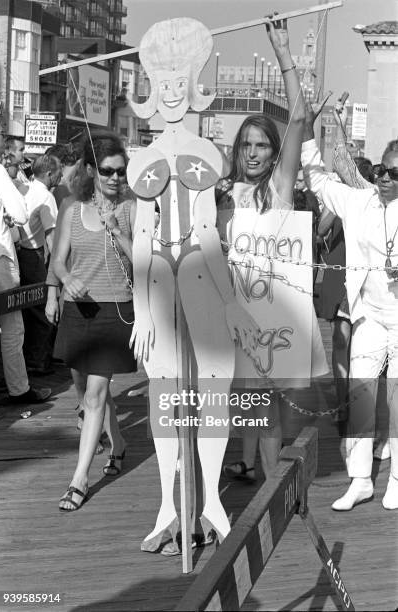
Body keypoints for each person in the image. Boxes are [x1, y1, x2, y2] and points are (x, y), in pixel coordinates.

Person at [127, 17, 259, 551]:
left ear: (193, 88)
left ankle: (209, 504)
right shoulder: (141, 160)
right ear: (154, 93)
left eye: (182, 83)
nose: (174, 94)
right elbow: (141, 236)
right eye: (165, 85)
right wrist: (140, 309)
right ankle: (166, 507)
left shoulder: (207, 155)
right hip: (158, 279)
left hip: (201, 276)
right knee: (164, 387)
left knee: (214, 387)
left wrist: (229, 301)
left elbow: (206, 233)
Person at [217, 29, 327, 483]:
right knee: (244, 402)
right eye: (248, 145)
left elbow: (298, 118)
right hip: (229, 316)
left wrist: (285, 55)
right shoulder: (221, 195)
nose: (255, 153)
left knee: (263, 407)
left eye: (263, 145)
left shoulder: (277, 192)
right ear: (237, 151)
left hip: (270, 319)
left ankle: (273, 492)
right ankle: (253, 471)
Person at [302, 102, 398, 511]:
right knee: (360, 395)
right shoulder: (360, 203)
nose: (387, 178)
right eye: (383, 170)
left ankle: (395, 478)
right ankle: (360, 479)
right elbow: (319, 179)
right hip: (369, 316)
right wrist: (307, 130)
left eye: (397, 172)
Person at [53, 131, 136, 511]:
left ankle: (79, 479)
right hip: (79, 310)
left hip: (116, 309)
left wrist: (118, 231)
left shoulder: (134, 209)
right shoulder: (72, 209)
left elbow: (145, 263)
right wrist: (65, 280)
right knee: (85, 387)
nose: (116, 179)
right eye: (108, 171)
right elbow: (58, 260)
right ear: (90, 169)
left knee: (95, 394)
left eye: (121, 171)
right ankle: (118, 443)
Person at [0, 120, 51, 405]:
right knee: (12, 327)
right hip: (0, 259)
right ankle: (18, 388)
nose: (1, 139)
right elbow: (19, 212)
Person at [17, 154, 62, 375]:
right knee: (42, 309)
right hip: (33, 255)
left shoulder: (25, 188)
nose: (61, 175)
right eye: (59, 171)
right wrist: (59, 268)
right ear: (49, 173)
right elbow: (52, 237)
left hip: (21, 254)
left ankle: (32, 358)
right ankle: (37, 361)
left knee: (27, 310)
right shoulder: (46, 197)